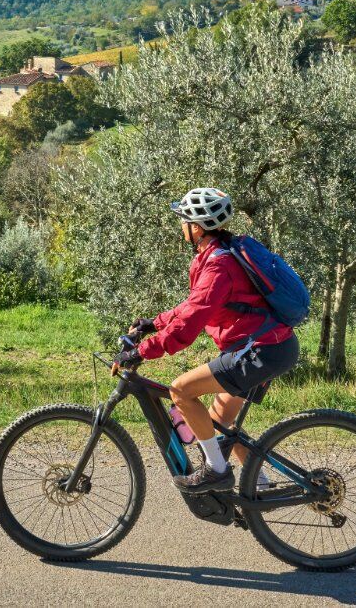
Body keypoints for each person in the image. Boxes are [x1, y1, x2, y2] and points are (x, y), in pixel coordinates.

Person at [111, 187, 300, 493]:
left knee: (181, 391)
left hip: (261, 351)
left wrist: (143, 351)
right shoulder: (219, 254)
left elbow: (190, 322)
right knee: (218, 423)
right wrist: (153, 323)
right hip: (268, 346)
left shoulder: (218, 265)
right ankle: (260, 487)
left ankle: (217, 470)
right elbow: (192, 306)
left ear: (196, 227)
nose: (181, 227)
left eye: (183, 221)